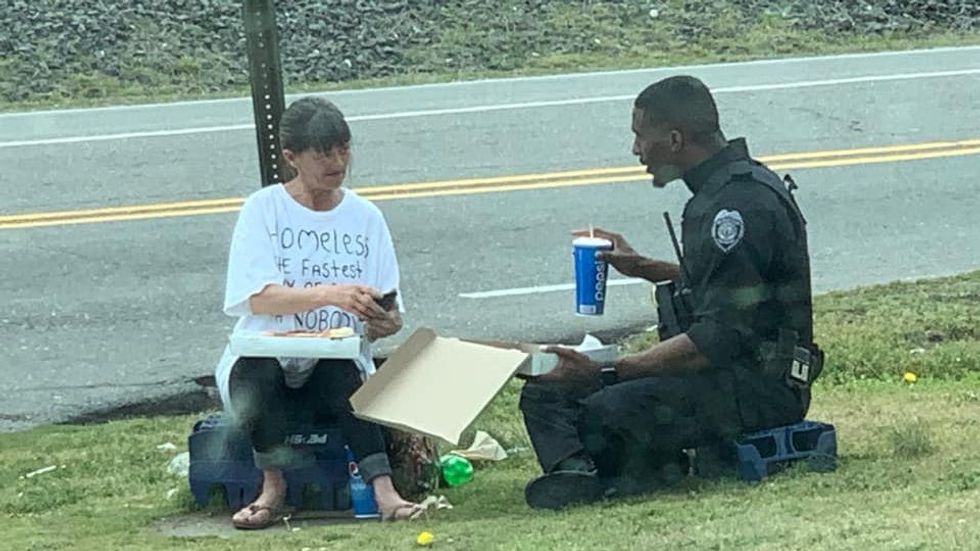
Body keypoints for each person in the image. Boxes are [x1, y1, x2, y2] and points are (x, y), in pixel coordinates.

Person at [519, 75, 823, 510]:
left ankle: (625, 471)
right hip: (723, 374)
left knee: (604, 410)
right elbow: (732, 287)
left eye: (640, 136)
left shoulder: (735, 207)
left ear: (675, 139)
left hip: (758, 385)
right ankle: (578, 474)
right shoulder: (724, 190)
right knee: (547, 390)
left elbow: (716, 339)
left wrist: (608, 371)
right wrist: (642, 267)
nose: (636, 150)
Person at [213, 96, 421, 528]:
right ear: (292, 157)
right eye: (323, 153)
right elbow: (257, 298)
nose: (337, 162)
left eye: (343, 149)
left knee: (342, 372)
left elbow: (390, 308)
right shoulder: (264, 209)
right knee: (259, 372)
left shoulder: (365, 217)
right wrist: (330, 295)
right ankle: (272, 488)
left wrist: (385, 321)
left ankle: (385, 491)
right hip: (265, 354)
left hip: (335, 355)